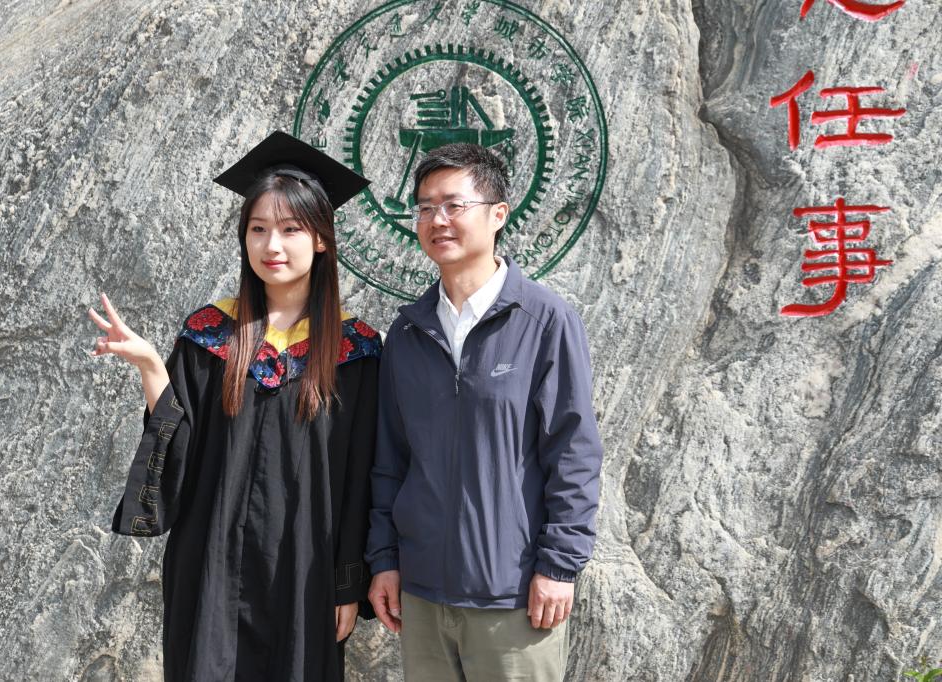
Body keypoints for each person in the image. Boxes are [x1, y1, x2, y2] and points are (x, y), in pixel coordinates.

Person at [89, 132, 382, 681]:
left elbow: (360, 477)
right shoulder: (210, 335)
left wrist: (348, 583)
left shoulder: (355, 350)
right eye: (258, 228)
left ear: (321, 238)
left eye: (291, 229)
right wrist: (151, 366)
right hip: (212, 566)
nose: (272, 244)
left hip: (307, 570)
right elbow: (180, 451)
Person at [365, 143, 603, 680]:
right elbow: (389, 460)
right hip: (422, 595)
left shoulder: (544, 321)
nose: (437, 220)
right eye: (425, 207)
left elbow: (573, 453)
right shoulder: (408, 332)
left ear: (498, 214)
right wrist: (384, 560)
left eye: (454, 205)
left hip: (514, 596)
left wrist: (559, 566)